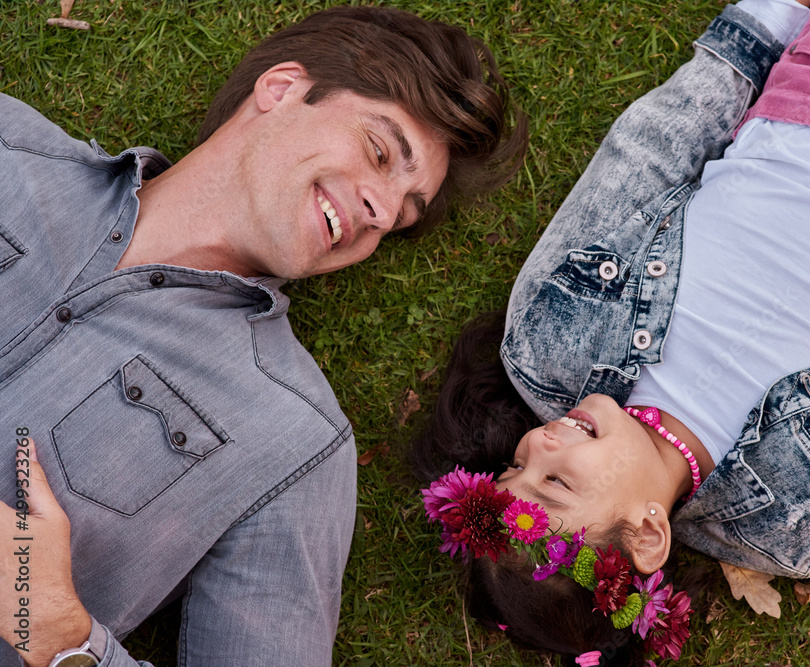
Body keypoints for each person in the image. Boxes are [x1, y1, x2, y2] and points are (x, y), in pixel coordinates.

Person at [412, 0, 810, 663]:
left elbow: (643, 158)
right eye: (556, 483)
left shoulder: (548, 345)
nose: (541, 443)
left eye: (517, 467)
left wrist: (755, 31)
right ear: (645, 536)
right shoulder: (799, 528)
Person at [0, 6, 525, 667]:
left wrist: (57, 633)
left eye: (402, 215)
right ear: (281, 89)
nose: (383, 212)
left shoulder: (295, 444)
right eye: (381, 150)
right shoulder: (8, 144)